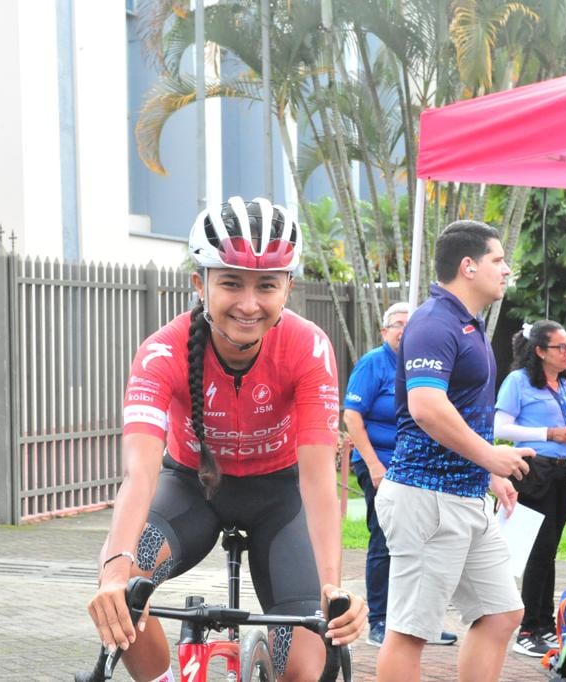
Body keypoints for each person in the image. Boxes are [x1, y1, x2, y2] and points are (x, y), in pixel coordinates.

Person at [86, 196, 367, 682]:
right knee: (124, 585)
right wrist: (113, 573)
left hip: (280, 497)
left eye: (267, 285)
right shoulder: (161, 352)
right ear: (201, 284)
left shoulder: (308, 347)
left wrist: (332, 588)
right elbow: (140, 475)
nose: (249, 303)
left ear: (288, 287)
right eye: (232, 282)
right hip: (191, 488)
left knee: (306, 666)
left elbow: (318, 480)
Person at [375, 219, 533, 682]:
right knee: (410, 631)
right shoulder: (433, 323)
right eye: (498, 259)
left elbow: (459, 410)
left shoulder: (467, 323)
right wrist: (490, 457)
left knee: (502, 612)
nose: (506, 269)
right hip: (426, 500)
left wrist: (488, 473)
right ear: (469, 266)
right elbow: (426, 407)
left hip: (464, 497)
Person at [343, 301, 457, 648]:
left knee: (426, 543)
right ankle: (380, 621)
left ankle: (420, 622)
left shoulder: (426, 364)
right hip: (380, 464)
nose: (405, 331)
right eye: (398, 324)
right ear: (384, 331)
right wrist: (374, 466)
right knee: (385, 541)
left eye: (412, 324)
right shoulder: (373, 364)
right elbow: (351, 417)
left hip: (420, 467)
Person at [494, 320, 566, 658]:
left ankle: (544, 625)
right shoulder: (518, 381)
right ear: (540, 351)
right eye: (560, 346)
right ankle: (528, 629)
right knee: (538, 550)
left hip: (563, 472)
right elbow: (500, 427)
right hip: (534, 470)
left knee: (550, 550)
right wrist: (547, 434)